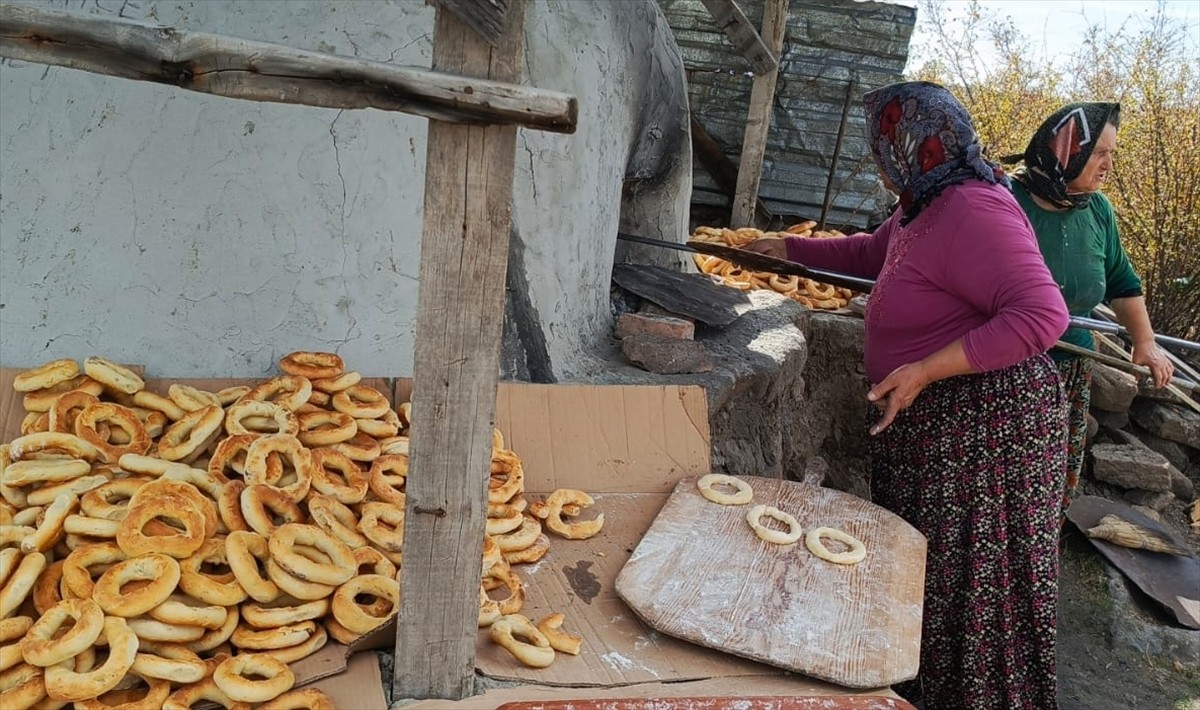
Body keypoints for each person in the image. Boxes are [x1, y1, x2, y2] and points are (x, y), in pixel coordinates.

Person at [745, 81, 1070, 709]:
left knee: (972, 584)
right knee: (933, 578)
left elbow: (1042, 314)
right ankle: (925, 691)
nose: (878, 160)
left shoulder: (977, 207)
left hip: (988, 431)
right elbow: (872, 253)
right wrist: (786, 250)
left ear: (914, 144)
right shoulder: (926, 203)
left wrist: (924, 369)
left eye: (883, 145)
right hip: (945, 427)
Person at [1004, 102, 1174, 516]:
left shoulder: (1098, 210)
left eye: (1112, 155)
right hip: (1001, 366)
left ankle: (1036, 553)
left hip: (1069, 368)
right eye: (1101, 154)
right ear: (1068, 149)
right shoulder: (1006, 200)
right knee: (1003, 478)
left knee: (1048, 483)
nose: (1108, 166)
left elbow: (1122, 281)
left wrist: (1145, 341)